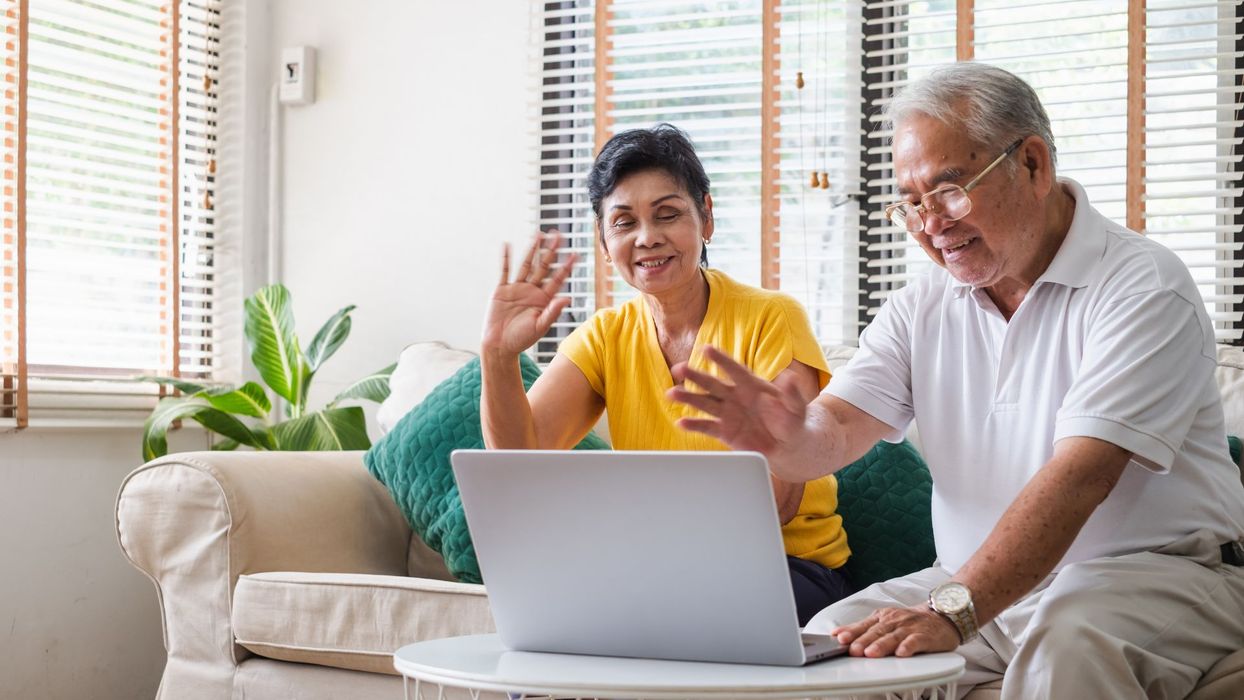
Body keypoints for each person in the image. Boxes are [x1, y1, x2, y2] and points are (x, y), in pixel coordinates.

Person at [667, 63, 1244, 698]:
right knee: (827, 646)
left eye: (949, 191)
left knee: (1069, 641)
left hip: (1155, 578)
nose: (931, 225)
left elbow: (1082, 477)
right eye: (911, 204)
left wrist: (954, 612)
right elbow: (832, 433)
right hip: (977, 585)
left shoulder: (1142, 287)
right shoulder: (922, 306)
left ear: (1032, 164)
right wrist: (783, 437)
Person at [480, 124, 853, 624]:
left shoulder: (772, 318)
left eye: (667, 214)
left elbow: (777, 501)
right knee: (542, 618)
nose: (647, 237)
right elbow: (517, 462)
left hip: (789, 569)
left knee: (653, 615)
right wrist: (498, 357)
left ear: (707, 218)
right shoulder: (605, 336)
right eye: (624, 222)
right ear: (603, 238)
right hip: (651, 568)